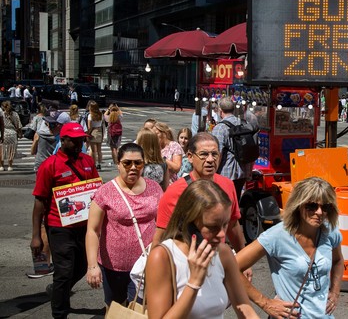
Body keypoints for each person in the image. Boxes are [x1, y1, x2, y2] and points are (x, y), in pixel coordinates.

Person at [145, 180, 258, 319]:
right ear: (189, 223)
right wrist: (194, 283)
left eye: (225, 224)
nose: (222, 234)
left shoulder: (223, 253)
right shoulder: (162, 257)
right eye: (212, 227)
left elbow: (244, 308)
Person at [236, 177, 344, 318]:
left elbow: (338, 261)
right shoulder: (277, 236)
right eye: (312, 206)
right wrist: (265, 303)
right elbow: (232, 267)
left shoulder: (330, 231)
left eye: (326, 207)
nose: (319, 212)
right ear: (298, 205)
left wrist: (335, 292)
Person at [30, 122, 99, 319]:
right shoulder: (49, 165)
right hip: (59, 227)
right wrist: (36, 236)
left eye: (81, 140)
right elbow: (39, 203)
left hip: (85, 226)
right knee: (64, 270)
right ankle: (59, 312)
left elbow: (97, 190)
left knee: (83, 265)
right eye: (74, 141)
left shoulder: (87, 160)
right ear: (63, 140)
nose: (79, 144)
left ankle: (58, 290)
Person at [86, 143, 163, 306]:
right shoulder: (105, 192)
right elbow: (93, 230)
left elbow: (163, 224)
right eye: (127, 163)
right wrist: (92, 266)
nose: (133, 167)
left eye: (138, 163)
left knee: (139, 309)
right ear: (118, 163)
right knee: (116, 308)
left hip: (145, 265)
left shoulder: (155, 188)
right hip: (113, 267)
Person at [153, 132, 246, 256]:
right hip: (185, 264)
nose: (210, 160)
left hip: (217, 261)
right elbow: (161, 236)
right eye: (204, 154)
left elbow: (233, 225)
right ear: (190, 157)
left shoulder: (227, 184)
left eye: (214, 154)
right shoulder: (175, 191)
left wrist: (243, 260)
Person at [212, 97, 252, 200]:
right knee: (236, 201)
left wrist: (212, 173)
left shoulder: (220, 128)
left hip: (225, 173)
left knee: (224, 202)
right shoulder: (244, 123)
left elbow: (218, 153)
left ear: (220, 111)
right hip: (242, 172)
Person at [1, 100, 23, 171]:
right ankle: (10, 166)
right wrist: (20, 133)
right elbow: (18, 125)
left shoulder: (1, 114)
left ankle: (1, 166)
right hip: (12, 133)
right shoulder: (15, 114)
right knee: (11, 150)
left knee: (1, 149)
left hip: (3, 133)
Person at [87, 100, 104, 169]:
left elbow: (89, 127)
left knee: (93, 150)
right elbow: (102, 124)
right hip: (100, 131)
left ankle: (94, 163)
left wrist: (87, 134)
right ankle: (99, 164)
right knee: (99, 150)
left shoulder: (90, 115)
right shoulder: (100, 114)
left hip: (93, 131)